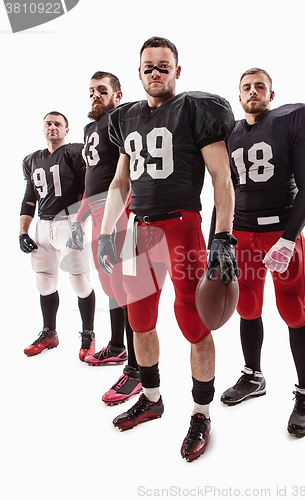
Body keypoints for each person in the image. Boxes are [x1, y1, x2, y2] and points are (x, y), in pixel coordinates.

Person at [97, 36, 237, 461]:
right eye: (148, 66)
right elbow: (120, 182)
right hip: (140, 230)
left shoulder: (197, 109)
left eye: (164, 66)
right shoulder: (125, 118)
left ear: (178, 70)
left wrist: (224, 234)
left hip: (182, 227)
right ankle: (153, 398)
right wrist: (107, 233)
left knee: (194, 323)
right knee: (140, 321)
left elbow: (221, 178)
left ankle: (200, 413)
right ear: (139, 71)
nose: (156, 72)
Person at [217, 68, 305, 437]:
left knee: (293, 307)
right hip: (242, 233)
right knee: (246, 306)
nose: (253, 91)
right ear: (239, 96)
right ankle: (253, 376)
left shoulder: (294, 118)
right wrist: (220, 237)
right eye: (246, 87)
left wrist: (290, 238)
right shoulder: (230, 132)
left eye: (260, 85)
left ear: (271, 94)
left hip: (280, 232)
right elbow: (223, 189)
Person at [66, 71, 141, 404]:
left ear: (118, 95)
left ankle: (140, 371)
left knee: (130, 289)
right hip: (97, 212)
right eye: (92, 91)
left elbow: (127, 173)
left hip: (120, 209)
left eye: (102, 91)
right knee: (111, 286)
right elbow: (91, 180)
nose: (95, 96)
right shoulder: (88, 129)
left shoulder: (123, 119)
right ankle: (115, 346)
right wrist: (79, 218)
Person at [20, 112, 96, 361]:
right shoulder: (32, 160)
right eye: (48, 123)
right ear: (43, 128)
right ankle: (49, 332)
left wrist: (81, 223)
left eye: (58, 124)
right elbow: (29, 198)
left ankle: (88, 334)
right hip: (43, 225)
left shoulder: (74, 153)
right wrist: (23, 231)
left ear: (66, 129)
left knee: (79, 280)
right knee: (43, 281)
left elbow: (88, 189)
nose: (53, 127)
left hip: (70, 221)